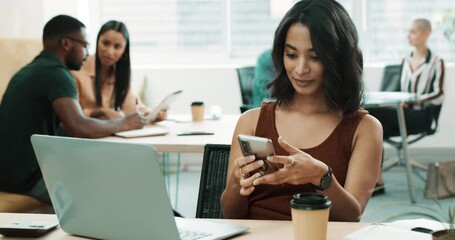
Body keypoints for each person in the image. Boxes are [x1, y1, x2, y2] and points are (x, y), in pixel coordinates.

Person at [220, 0, 383, 222]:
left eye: (315, 57)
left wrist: (322, 177)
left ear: (338, 58)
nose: (301, 69)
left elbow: (350, 218)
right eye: (292, 55)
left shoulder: (364, 128)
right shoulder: (252, 121)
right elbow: (230, 214)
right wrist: (236, 183)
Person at [0, 15, 144, 212]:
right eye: (85, 45)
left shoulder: (35, 69)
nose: (87, 53)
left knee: (109, 178)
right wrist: (124, 123)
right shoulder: (57, 74)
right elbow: (79, 127)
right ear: (67, 44)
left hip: (11, 172)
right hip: (25, 179)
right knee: (109, 195)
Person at [369, 18, 445, 193]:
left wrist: (415, 100)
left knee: (371, 117)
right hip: (401, 114)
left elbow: (439, 93)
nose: (408, 36)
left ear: (426, 33)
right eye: (408, 31)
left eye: (413, 32)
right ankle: (377, 178)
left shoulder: (436, 62)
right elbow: (398, 90)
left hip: (422, 116)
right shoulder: (405, 60)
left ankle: (376, 179)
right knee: (372, 123)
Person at [71, 20, 166, 121]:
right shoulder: (77, 71)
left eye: (117, 47)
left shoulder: (119, 74)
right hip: (87, 134)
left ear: (124, 50)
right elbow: (72, 115)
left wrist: (154, 114)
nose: (110, 52)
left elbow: (131, 109)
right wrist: (100, 112)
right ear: (97, 41)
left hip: (112, 133)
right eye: (105, 43)